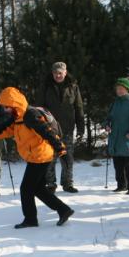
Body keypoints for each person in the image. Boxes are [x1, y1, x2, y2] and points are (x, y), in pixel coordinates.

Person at [0, 87, 74, 229]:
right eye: (3, 107)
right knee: (38, 188)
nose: (5, 110)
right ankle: (63, 210)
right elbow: (8, 128)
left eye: (7, 107)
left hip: (40, 156)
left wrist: (60, 148)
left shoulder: (30, 115)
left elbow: (47, 131)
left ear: (15, 104)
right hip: (36, 156)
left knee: (26, 189)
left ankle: (31, 219)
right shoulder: (18, 117)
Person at [36, 62, 85, 193]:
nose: (58, 75)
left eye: (60, 73)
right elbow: (39, 108)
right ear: (52, 73)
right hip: (50, 129)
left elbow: (79, 107)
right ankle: (50, 183)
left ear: (65, 72)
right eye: (55, 73)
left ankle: (68, 183)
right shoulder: (46, 86)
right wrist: (40, 125)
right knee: (50, 157)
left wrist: (81, 127)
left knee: (67, 158)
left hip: (67, 128)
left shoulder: (73, 87)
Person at [104, 77, 129, 194]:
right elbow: (109, 117)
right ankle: (121, 185)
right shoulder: (115, 102)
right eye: (117, 89)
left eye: (121, 88)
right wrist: (107, 125)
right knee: (118, 163)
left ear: (127, 89)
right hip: (115, 137)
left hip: (128, 137)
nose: (118, 91)